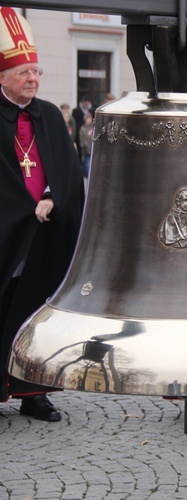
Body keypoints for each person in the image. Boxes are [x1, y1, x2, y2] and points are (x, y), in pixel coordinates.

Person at [0, 7, 84, 421]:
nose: (32, 79)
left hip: (45, 235)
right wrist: (21, 208)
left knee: (37, 314)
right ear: (2, 77)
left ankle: (34, 393)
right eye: (23, 73)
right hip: (5, 236)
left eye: (36, 72)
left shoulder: (49, 115)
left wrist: (52, 197)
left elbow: (67, 170)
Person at [71, 93, 92, 164]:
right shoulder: (76, 111)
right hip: (79, 133)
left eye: (86, 102)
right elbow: (73, 123)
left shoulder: (92, 110)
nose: (85, 104)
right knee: (80, 150)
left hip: (89, 133)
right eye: (84, 102)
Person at [77, 111, 93, 178]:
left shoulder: (93, 128)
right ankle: (86, 173)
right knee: (87, 163)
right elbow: (82, 139)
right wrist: (84, 146)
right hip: (86, 149)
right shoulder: (83, 129)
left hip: (92, 148)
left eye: (90, 119)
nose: (89, 120)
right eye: (88, 119)